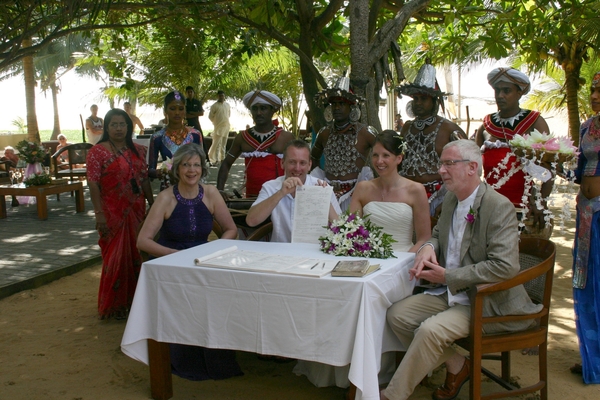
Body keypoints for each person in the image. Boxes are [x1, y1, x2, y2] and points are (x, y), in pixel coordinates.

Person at [380, 139, 542, 400]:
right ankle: (458, 364)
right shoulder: (452, 201)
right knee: (397, 315)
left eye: (449, 163)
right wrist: (428, 248)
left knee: (429, 331)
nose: (441, 170)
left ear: (472, 168)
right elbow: (435, 234)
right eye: (441, 163)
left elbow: (505, 266)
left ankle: (392, 395)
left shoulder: (498, 206)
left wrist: (448, 276)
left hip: (485, 301)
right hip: (451, 293)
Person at [137, 143, 242, 381]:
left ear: (202, 169)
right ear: (177, 169)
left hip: (203, 262)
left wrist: (215, 250)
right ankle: (184, 360)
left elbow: (230, 229)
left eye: (196, 165)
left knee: (225, 294)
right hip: (171, 264)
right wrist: (173, 255)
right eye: (186, 165)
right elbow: (143, 241)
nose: (191, 170)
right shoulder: (165, 198)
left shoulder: (211, 193)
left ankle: (218, 359)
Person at [87, 109, 154, 320]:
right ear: (106, 127)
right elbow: (93, 184)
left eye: (122, 124)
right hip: (111, 213)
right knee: (115, 258)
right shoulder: (97, 152)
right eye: (114, 124)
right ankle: (114, 306)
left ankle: (135, 304)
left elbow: (144, 179)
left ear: (129, 127)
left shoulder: (138, 150)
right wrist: (99, 214)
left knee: (137, 255)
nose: (118, 128)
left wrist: (154, 204)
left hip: (136, 210)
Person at [475, 67, 553, 229]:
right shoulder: (486, 126)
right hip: (489, 207)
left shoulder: (534, 122)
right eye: (497, 90)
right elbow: (473, 169)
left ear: (519, 93)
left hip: (524, 208)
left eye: (506, 91)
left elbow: (549, 168)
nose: (500, 96)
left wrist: (540, 202)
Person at [396, 61, 467, 218]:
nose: (418, 103)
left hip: (437, 197)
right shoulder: (407, 127)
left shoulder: (449, 129)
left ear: (434, 101)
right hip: (406, 196)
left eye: (424, 98)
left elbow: (467, 165)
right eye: (416, 98)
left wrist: (450, 199)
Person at [349, 130, 430, 252]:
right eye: (375, 155)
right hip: (368, 257)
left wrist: (402, 262)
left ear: (399, 158)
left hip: (404, 260)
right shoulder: (363, 188)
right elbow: (351, 230)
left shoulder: (415, 190)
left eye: (385, 155)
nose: (379, 161)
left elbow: (424, 239)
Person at [246, 139, 341, 242]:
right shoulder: (270, 187)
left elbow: (341, 230)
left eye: (302, 163)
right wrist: (281, 193)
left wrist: (323, 198)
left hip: (314, 252)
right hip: (280, 252)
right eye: (292, 162)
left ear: (309, 165)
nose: (297, 168)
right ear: (282, 163)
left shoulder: (321, 187)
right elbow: (251, 221)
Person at [570, 71, 600, 384]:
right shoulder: (586, 127)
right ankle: (592, 358)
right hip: (586, 214)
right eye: (593, 89)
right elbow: (579, 171)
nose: (594, 96)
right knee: (586, 283)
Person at [311, 76, 377, 211]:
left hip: (356, 193)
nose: (336, 107)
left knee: (354, 230)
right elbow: (313, 158)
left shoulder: (365, 132)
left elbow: (384, 156)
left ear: (351, 106)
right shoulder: (324, 133)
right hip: (327, 193)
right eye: (333, 103)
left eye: (341, 103)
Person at [217, 90, 294, 199]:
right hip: (251, 199)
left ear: (272, 111)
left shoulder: (285, 137)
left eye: (263, 108)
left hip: (279, 198)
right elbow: (226, 163)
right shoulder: (242, 138)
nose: (258, 113)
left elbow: (299, 167)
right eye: (255, 108)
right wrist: (220, 191)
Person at [148, 91, 203, 188]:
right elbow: (150, 170)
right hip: (168, 189)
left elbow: (202, 165)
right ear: (165, 110)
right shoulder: (158, 137)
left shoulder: (195, 135)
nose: (177, 113)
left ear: (185, 110)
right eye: (172, 109)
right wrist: (161, 172)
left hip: (192, 189)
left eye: (181, 109)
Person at [208, 90, 231, 166]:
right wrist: (216, 123)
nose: (221, 97)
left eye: (222, 96)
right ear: (217, 96)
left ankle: (222, 159)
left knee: (224, 144)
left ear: (224, 96)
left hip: (226, 126)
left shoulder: (227, 105)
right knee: (217, 144)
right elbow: (210, 117)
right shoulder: (214, 106)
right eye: (220, 96)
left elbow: (228, 115)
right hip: (218, 127)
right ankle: (215, 159)